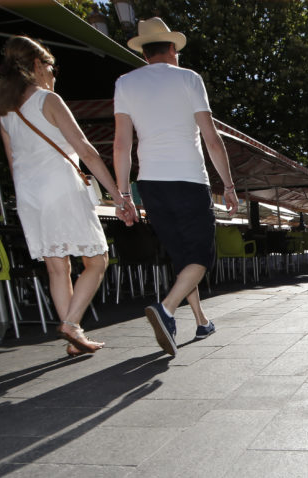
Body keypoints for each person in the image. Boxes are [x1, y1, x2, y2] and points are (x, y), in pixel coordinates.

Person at [0, 35, 135, 356]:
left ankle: (74, 339)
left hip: (29, 196)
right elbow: (87, 152)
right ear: (37, 66)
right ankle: (72, 324)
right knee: (97, 259)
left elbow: (13, 165)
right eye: (51, 68)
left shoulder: (4, 112)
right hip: (61, 188)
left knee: (57, 268)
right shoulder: (48, 100)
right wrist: (120, 195)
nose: (54, 75)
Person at [113, 17, 239, 358]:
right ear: (172, 49)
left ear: (144, 52)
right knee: (202, 256)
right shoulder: (188, 79)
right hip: (188, 179)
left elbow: (121, 145)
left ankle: (201, 320)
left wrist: (123, 194)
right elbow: (211, 140)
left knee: (182, 257)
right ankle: (166, 309)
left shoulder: (125, 83)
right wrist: (228, 184)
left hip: (150, 184)